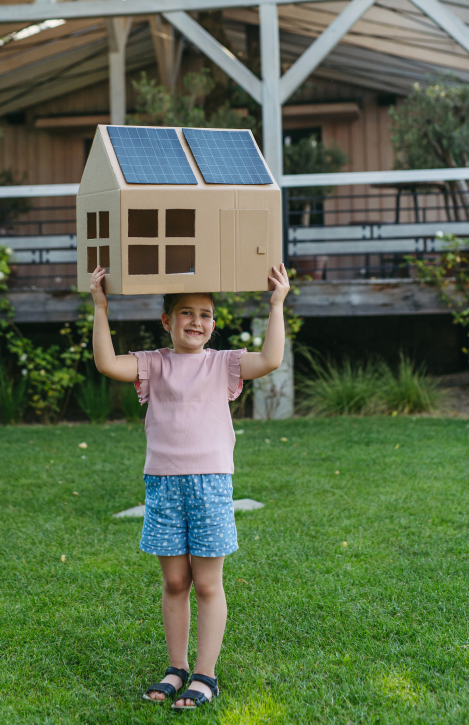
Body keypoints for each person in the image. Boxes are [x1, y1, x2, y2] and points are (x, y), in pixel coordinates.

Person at [90, 263, 291, 710]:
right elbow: (106, 363)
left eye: (204, 314)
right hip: (162, 487)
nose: (196, 322)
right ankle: (176, 668)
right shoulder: (153, 364)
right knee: (176, 581)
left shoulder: (224, 364)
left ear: (214, 325)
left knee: (206, 584)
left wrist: (276, 304)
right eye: (185, 313)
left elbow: (271, 359)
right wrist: (100, 307)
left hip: (211, 486)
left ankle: (206, 675)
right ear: (167, 320)